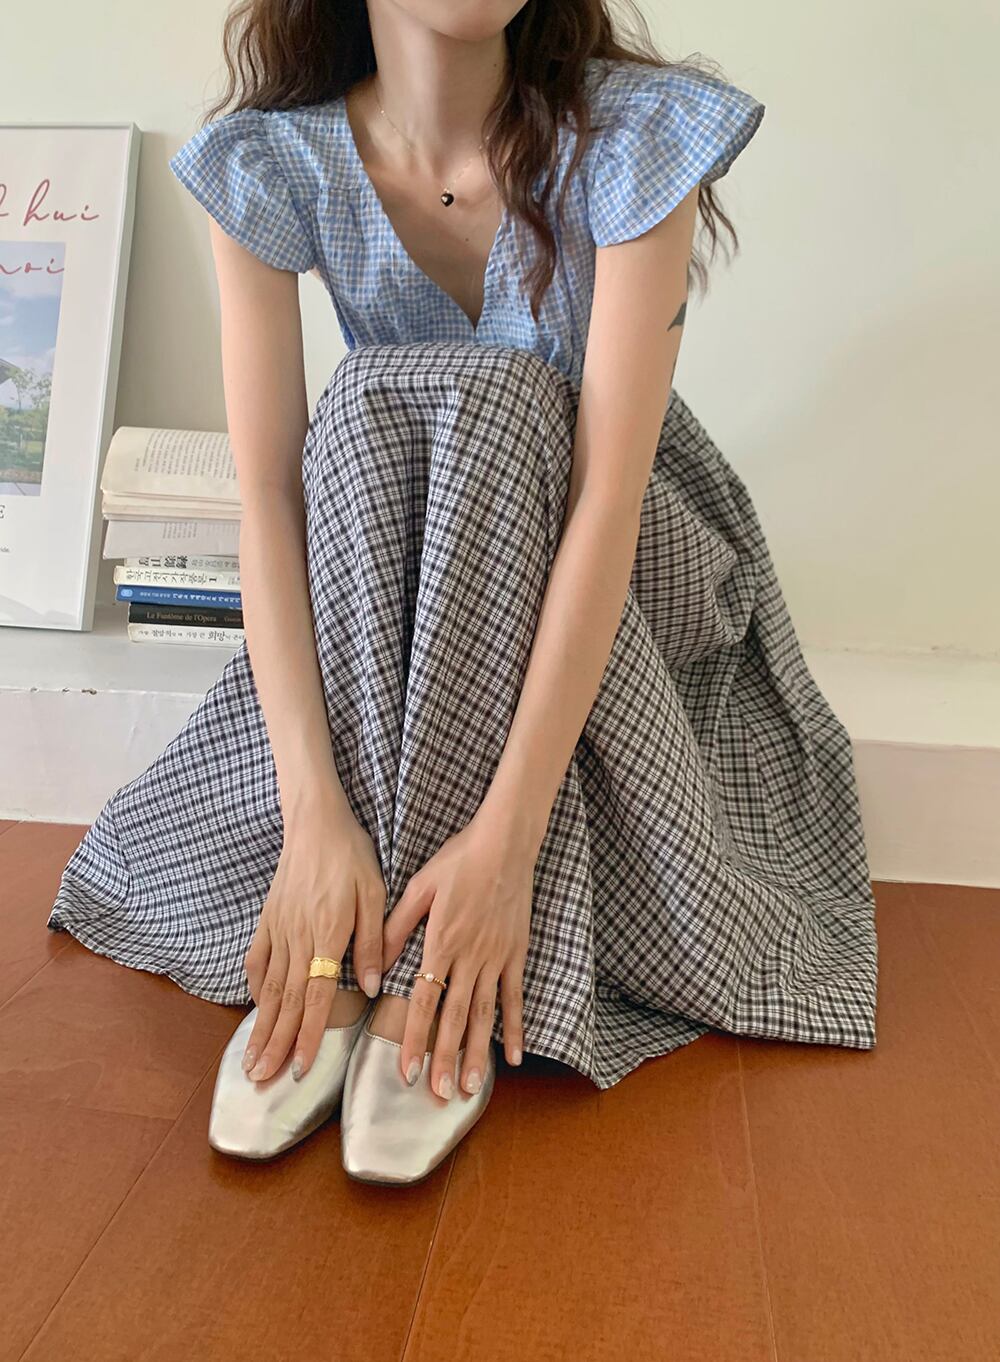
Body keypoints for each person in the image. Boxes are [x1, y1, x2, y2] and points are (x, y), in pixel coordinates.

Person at [46, 0, 879, 1185]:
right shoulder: (275, 162)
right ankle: (355, 911)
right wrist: (311, 817)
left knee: (493, 399)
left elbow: (607, 500)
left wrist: (507, 844)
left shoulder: (633, 139)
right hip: (423, 575)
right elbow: (269, 497)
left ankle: (415, 972)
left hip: (627, 555)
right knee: (363, 408)